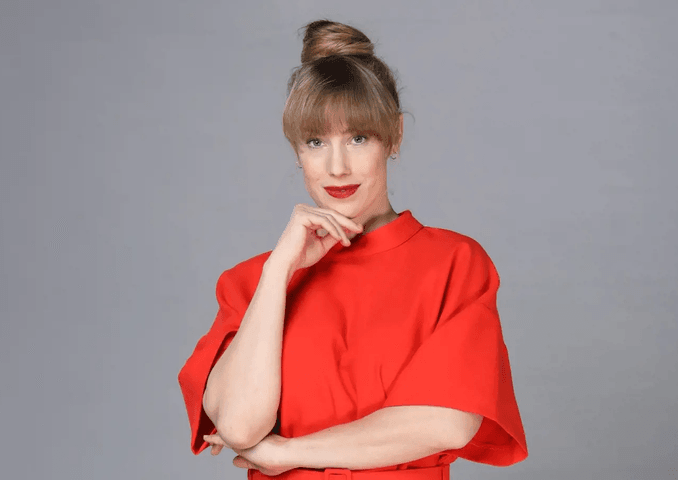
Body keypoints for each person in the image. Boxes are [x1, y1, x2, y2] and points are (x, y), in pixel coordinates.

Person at [178, 19, 528, 479]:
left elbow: (447, 422)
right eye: (316, 142)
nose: (337, 167)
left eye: (358, 138)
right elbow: (240, 427)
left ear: (394, 136)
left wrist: (287, 453)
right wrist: (279, 271)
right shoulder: (250, 284)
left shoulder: (454, 264)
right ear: (297, 151)